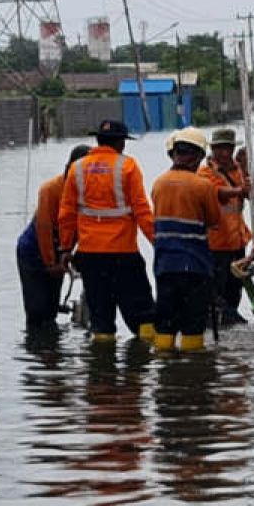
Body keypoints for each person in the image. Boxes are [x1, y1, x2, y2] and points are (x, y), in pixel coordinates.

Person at [57, 120, 157, 344]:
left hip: (90, 255)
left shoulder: (77, 168)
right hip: (124, 254)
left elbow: (66, 215)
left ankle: (103, 370)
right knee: (144, 314)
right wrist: (158, 243)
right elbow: (143, 212)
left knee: (101, 318)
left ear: (98, 140)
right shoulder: (128, 167)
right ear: (121, 142)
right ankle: (146, 363)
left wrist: (65, 248)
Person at [150, 128, 221, 352]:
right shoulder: (203, 185)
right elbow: (214, 220)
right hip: (196, 265)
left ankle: (165, 370)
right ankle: (192, 373)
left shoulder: (158, 183)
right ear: (198, 157)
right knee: (192, 324)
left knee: (165, 322)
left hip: (165, 265)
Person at [16, 144, 91, 329]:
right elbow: (44, 228)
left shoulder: (88, 194)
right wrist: (51, 263)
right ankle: (37, 347)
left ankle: (51, 350)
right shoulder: (51, 190)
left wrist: (79, 256)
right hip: (33, 252)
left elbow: (86, 228)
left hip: (60, 251)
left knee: (50, 310)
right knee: (37, 311)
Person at [198, 126, 253, 326]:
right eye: (219, 148)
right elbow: (217, 193)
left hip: (237, 241)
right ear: (213, 149)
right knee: (217, 294)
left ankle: (230, 330)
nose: (223, 153)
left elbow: (253, 195)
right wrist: (239, 190)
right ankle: (224, 326)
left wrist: (246, 173)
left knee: (234, 292)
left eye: (227, 148)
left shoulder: (238, 170)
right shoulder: (205, 172)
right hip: (216, 244)